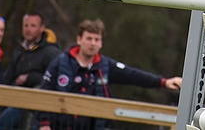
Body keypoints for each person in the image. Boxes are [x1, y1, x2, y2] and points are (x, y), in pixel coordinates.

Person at [38, 19, 182, 130]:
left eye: (97, 40)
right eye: (89, 39)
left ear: (101, 43)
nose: (92, 43)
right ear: (79, 39)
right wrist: (44, 124)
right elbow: (44, 92)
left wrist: (163, 82)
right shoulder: (61, 62)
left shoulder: (104, 65)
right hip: (60, 125)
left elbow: (132, 75)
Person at [0, 13, 62, 129]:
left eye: (33, 26)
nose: (28, 30)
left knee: (1, 124)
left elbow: (57, 80)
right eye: (26, 26)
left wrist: (30, 78)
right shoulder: (19, 50)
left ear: (42, 28)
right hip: (14, 101)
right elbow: (8, 77)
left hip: (38, 108)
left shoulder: (52, 52)